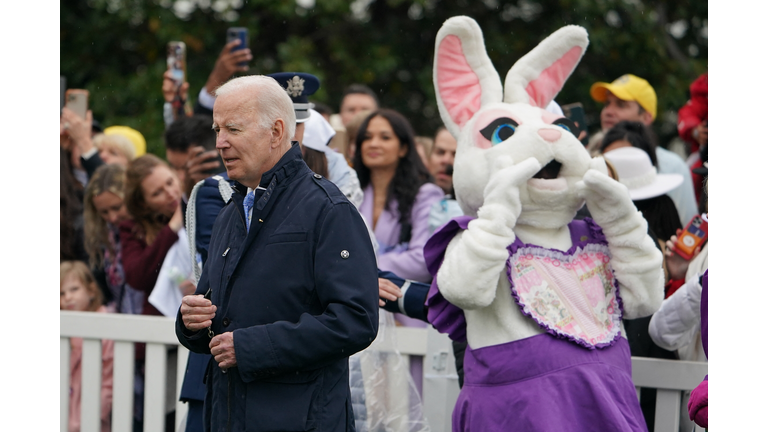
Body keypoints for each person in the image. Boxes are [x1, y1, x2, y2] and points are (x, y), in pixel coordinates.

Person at [176, 75, 379, 432]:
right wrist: (192, 321)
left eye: (233, 129)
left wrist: (252, 347)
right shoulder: (231, 212)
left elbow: (356, 320)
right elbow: (218, 316)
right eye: (217, 128)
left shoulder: (329, 210)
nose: (220, 142)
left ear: (276, 132)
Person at [589, 74, 698, 226]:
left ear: (646, 117)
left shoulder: (673, 166)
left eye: (621, 105)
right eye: (607, 103)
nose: (608, 111)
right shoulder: (586, 158)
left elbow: (687, 229)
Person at [61, 261, 114, 432]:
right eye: (61, 293)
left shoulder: (106, 326)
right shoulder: (62, 327)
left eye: (74, 289)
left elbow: (109, 379)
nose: (67, 297)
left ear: (91, 291)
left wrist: (95, 413)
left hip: (92, 419)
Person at [83, 164, 143, 312]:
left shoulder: (150, 229)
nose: (112, 217)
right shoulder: (105, 236)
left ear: (130, 196)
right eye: (104, 212)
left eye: (117, 207)